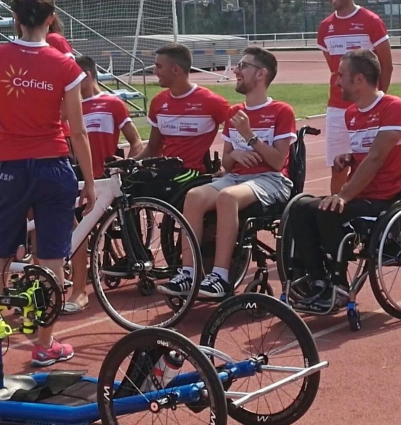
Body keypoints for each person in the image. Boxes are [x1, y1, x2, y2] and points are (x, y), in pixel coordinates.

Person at [0, 0, 95, 367]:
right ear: (50, 19)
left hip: (9, 167)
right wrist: (89, 181)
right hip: (53, 167)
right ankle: (44, 344)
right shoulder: (65, 66)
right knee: (51, 258)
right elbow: (78, 131)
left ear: (14, 19)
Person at [160, 46, 296, 299]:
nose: (236, 70)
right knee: (194, 196)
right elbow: (227, 160)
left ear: (261, 75)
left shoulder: (281, 111)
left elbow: (278, 162)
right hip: (236, 177)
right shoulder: (235, 112)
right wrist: (235, 155)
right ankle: (188, 272)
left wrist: (251, 138)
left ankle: (221, 276)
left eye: (243, 66)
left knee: (228, 197)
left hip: (271, 180)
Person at [289, 49, 401, 311]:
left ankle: (340, 285)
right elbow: (365, 155)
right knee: (299, 209)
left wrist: (343, 195)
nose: (336, 82)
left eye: (341, 75)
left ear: (358, 79)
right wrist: (348, 158)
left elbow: (377, 158)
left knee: (329, 212)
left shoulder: (394, 107)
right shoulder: (351, 114)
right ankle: (320, 282)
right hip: (360, 195)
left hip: (384, 198)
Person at [62, 55, 144, 314]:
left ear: (85, 75)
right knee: (74, 228)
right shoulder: (69, 108)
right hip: (80, 180)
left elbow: (136, 141)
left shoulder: (112, 104)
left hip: (107, 182)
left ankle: (136, 258)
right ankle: (78, 277)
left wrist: (127, 169)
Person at [318, 0, 393, 195]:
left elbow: (386, 66)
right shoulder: (325, 28)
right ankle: (336, 218)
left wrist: (377, 102)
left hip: (368, 109)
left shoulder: (371, 21)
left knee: (370, 164)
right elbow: (334, 70)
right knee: (338, 167)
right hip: (337, 109)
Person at [131, 43, 230, 173]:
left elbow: (240, 137)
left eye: (159, 67)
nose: (154, 72)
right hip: (165, 172)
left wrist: (228, 168)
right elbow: (153, 149)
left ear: (175, 70)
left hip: (193, 175)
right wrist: (128, 164)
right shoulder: (158, 101)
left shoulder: (212, 101)